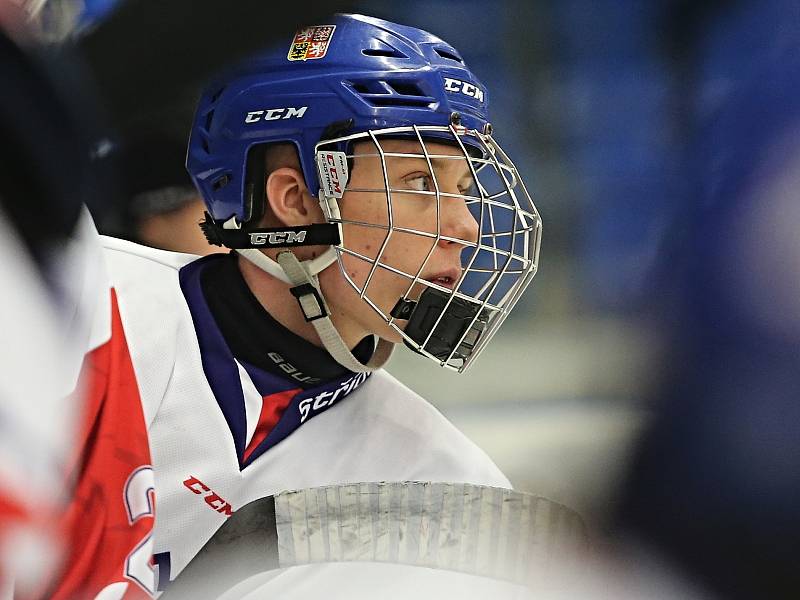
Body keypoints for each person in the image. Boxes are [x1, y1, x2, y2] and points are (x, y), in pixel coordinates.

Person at [96, 13, 541, 594]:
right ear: (295, 200)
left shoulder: (442, 494)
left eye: (462, 190)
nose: (464, 226)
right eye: (418, 184)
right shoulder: (89, 308)